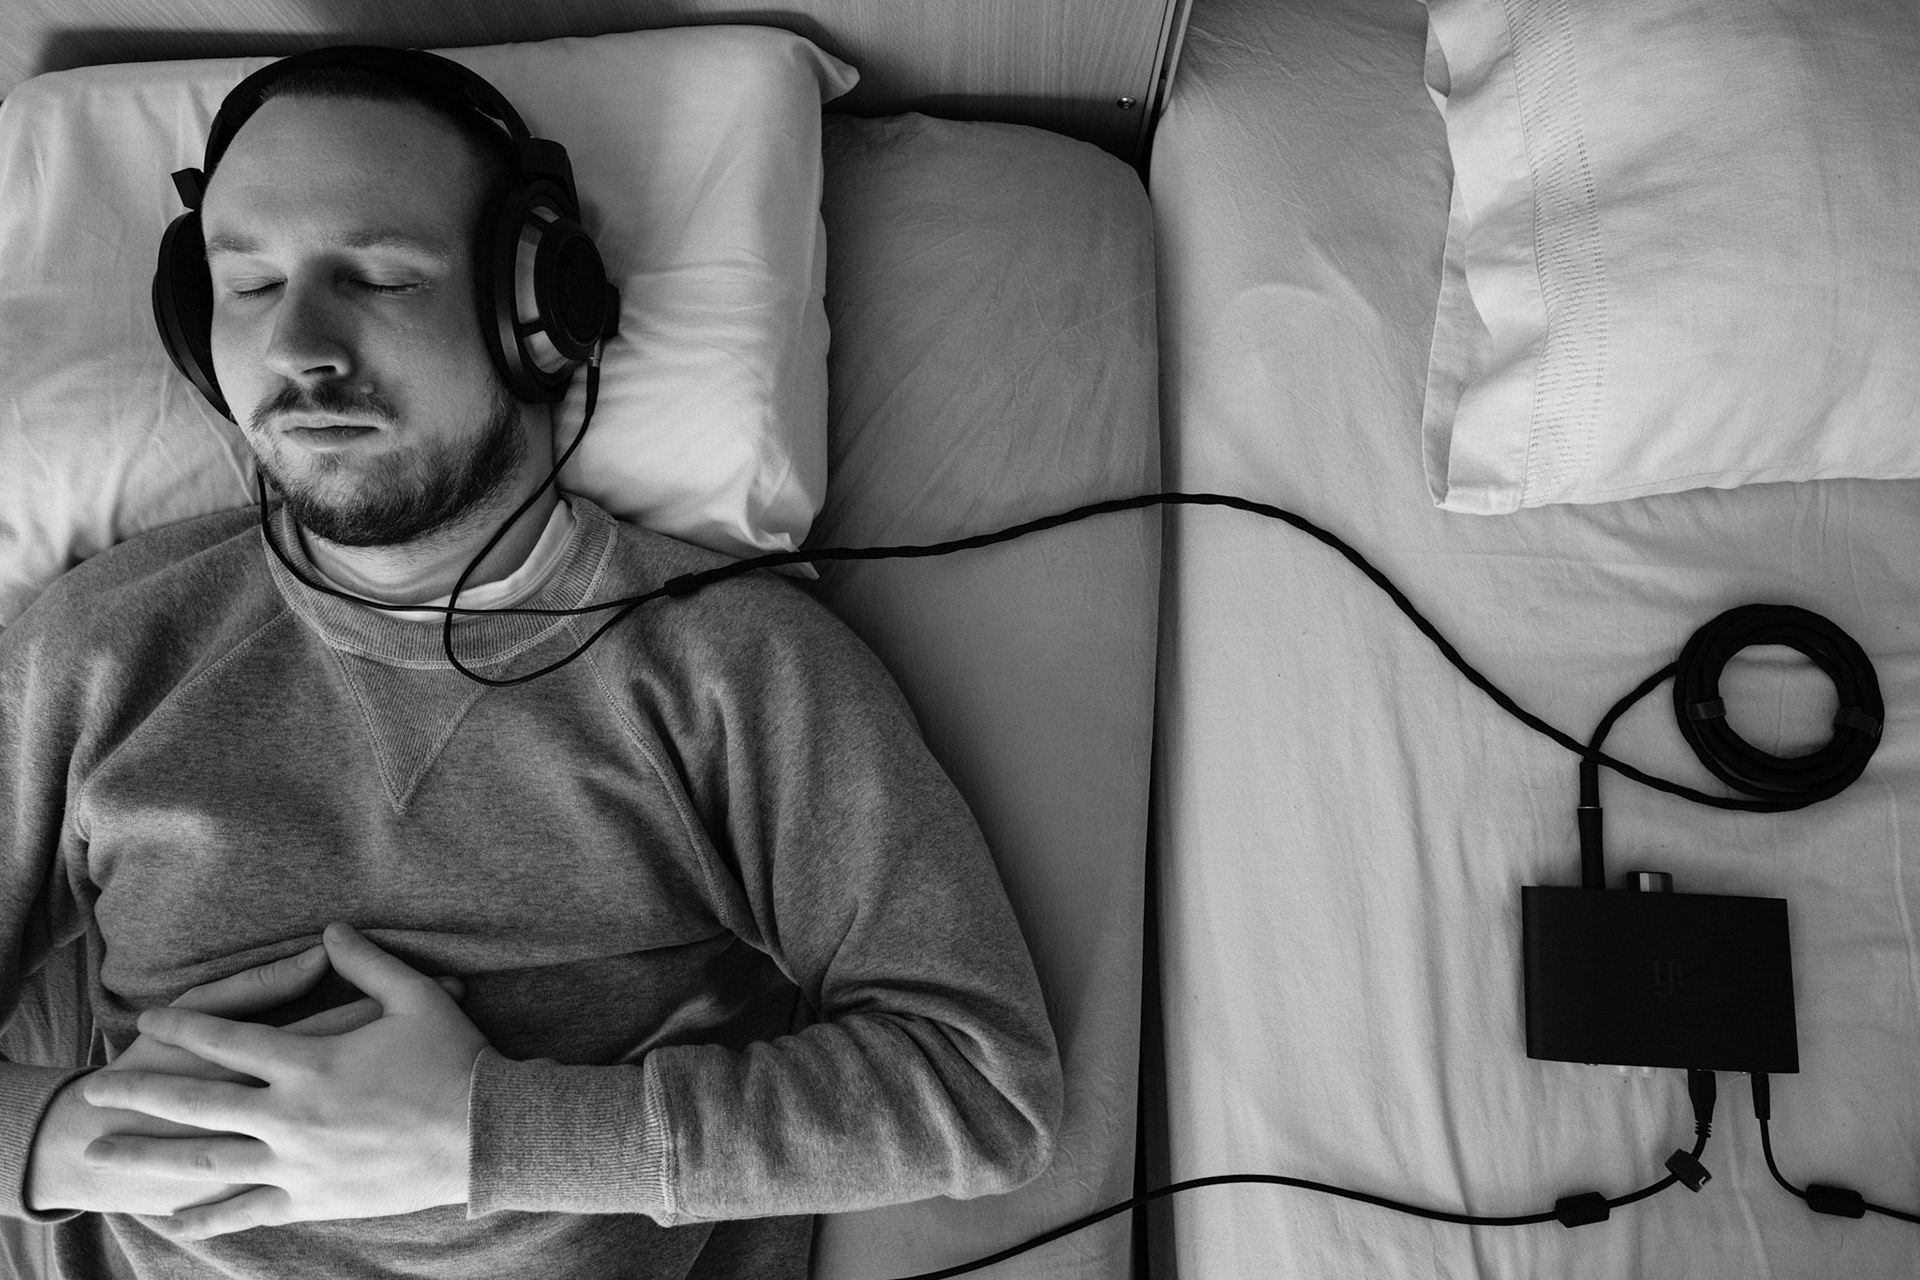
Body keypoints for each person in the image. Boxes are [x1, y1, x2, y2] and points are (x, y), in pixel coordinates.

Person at [0, 50, 1062, 1279]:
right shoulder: (102, 648)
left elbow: (982, 1088)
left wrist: (480, 1137)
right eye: (248, 284)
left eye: (378, 275)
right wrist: (59, 1142)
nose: (298, 346)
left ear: (537, 312)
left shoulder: (729, 664)